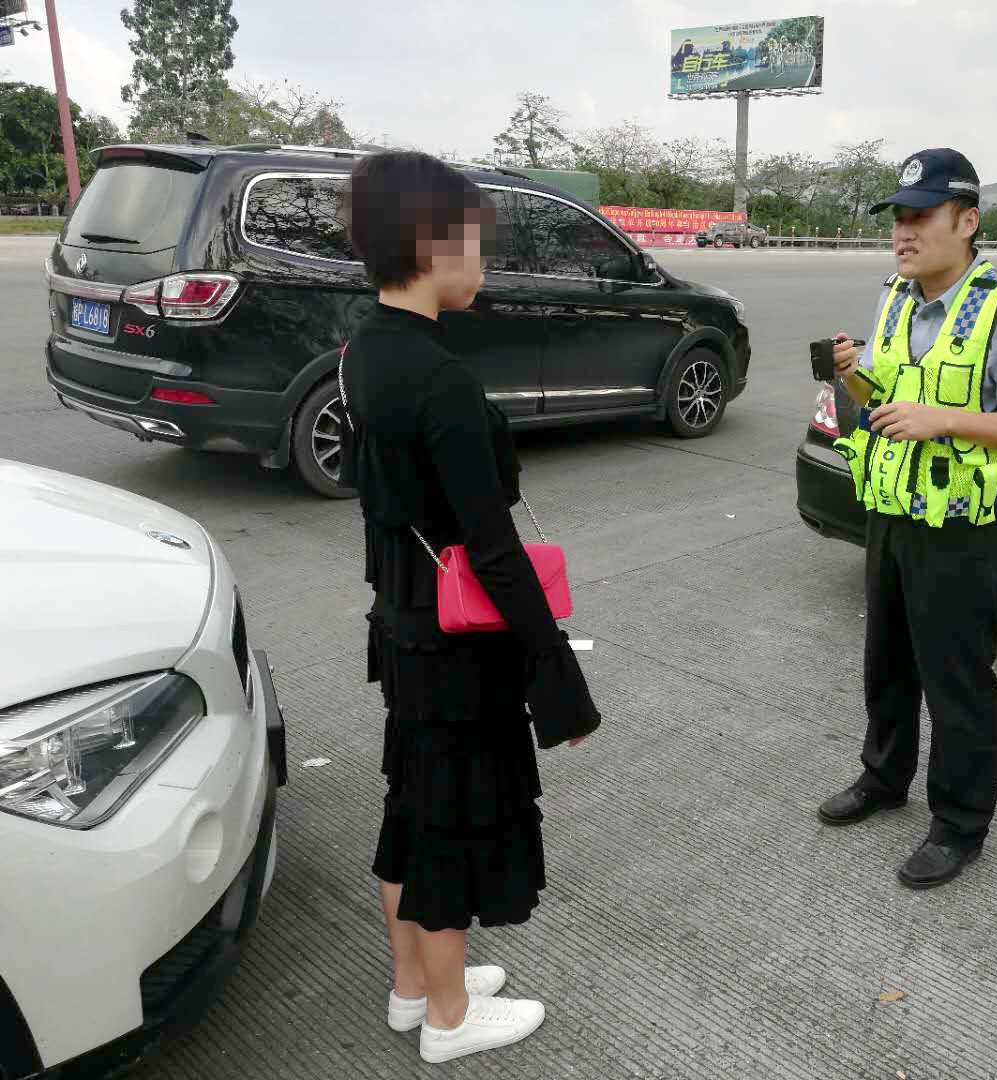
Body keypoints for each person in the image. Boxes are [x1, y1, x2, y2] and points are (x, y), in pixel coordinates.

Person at [339, 151, 600, 1064]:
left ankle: (413, 988)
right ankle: (449, 1020)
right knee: (448, 820)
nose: (484, 259)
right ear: (431, 244)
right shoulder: (438, 376)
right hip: (455, 640)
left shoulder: (362, 351)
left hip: (403, 622)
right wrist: (550, 660)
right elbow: (493, 546)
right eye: (475, 240)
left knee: (412, 805)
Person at [817, 148, 997, 889]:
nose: (904, 232)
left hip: (959, 526)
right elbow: (886, 398)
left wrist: (942, 419)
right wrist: (852, 375)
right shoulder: (896, 295)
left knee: (956, 678)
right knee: (887, 661)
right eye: (898, 217)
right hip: (891, 510)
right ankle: (883, 777)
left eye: (922, 216)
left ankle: (959, 824)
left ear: (967, 221)